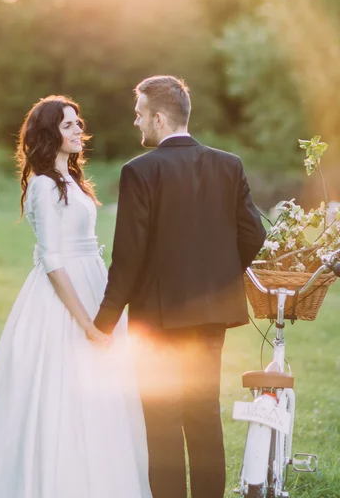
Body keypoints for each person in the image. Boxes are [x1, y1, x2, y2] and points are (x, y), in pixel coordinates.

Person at [0, 95, 152, 498]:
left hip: (93, 281)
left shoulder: (73, 180)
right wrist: (87, 324)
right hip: (64, 295)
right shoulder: (42, 186)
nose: (78, 130)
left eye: (78, 122)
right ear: (48, 134)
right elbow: (54, 261)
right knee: (61, 387)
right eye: (68, 124)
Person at [94, 76, 266, 498]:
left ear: (158, 116)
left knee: (164, 419)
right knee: (204, 414)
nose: (137, 124)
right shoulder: (229, 164)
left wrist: (103, 323)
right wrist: (218, 276)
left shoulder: (139, 171)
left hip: (158, 318)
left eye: (139, 115)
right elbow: (254, 236)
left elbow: (128, 257)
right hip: (211, 313)